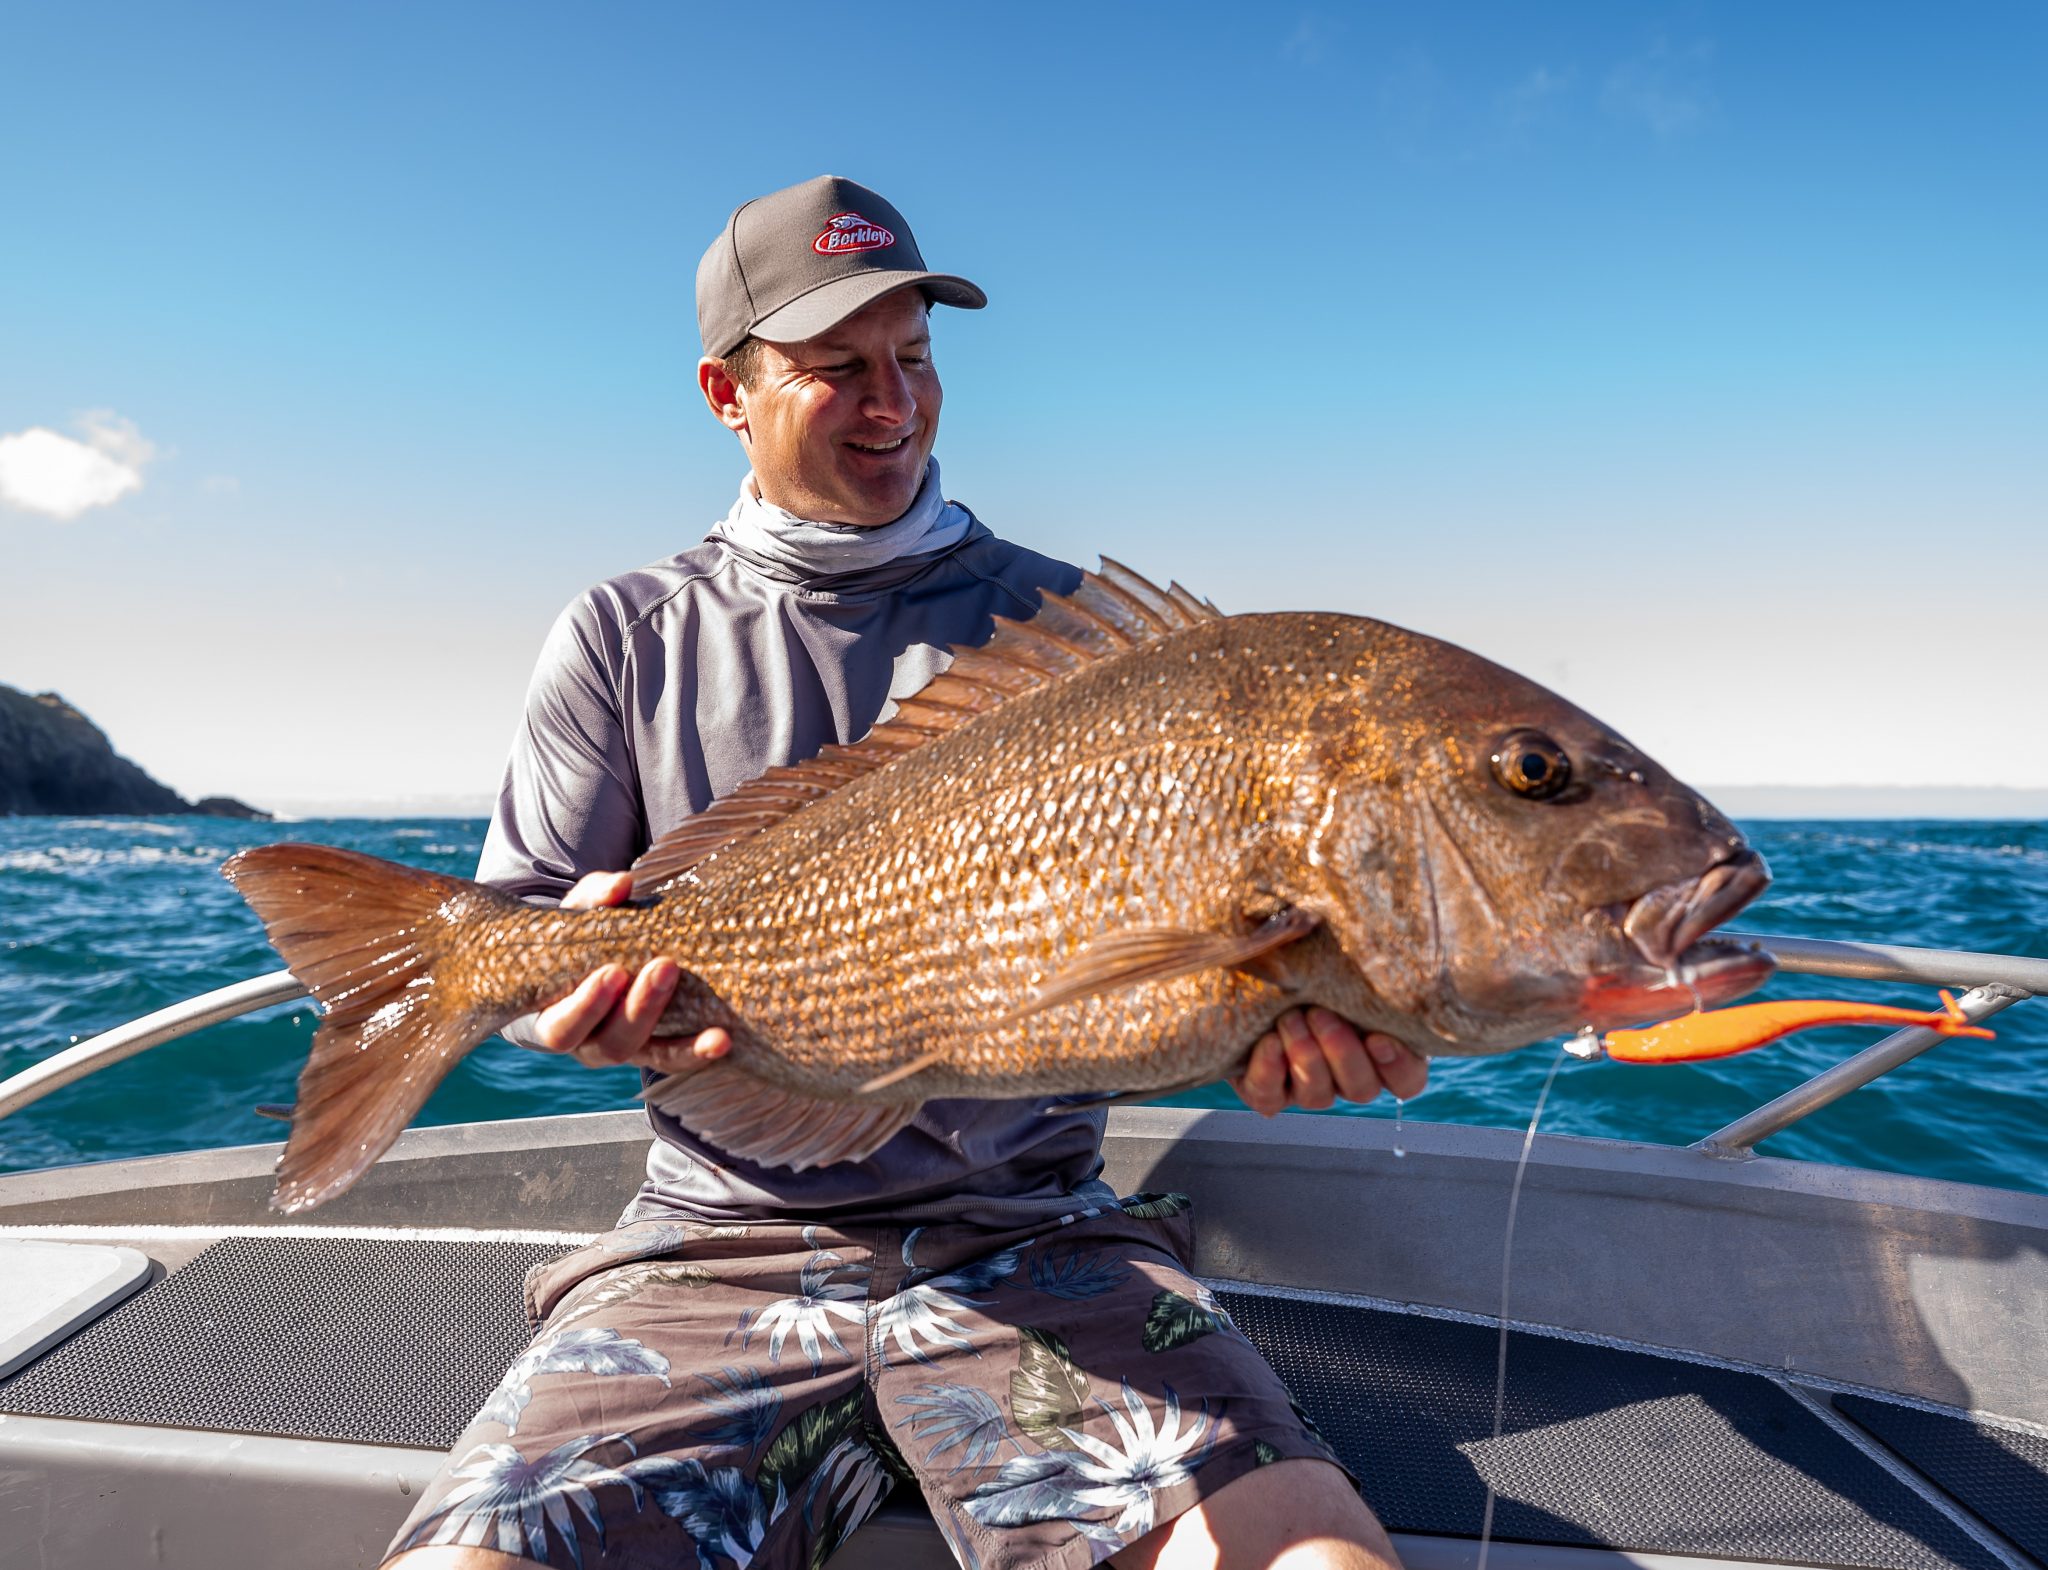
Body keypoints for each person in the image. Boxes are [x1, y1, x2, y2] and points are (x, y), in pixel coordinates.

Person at [384, 175, 1427, 1570]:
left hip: (1042, 1230)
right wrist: (557, 984)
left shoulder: (1079, 634)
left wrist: (1267, 1037)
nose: (895, 404)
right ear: (725, 392)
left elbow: (1135, 989)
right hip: (715, 1240)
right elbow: (521, 936)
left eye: (916, 359)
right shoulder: (625, 632)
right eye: (837, 371)